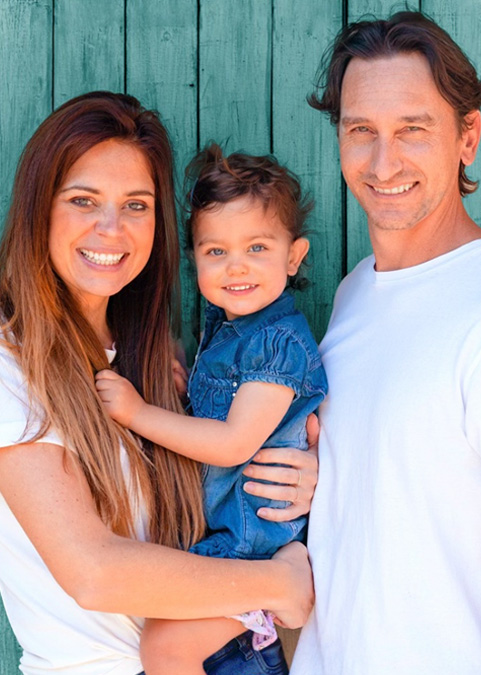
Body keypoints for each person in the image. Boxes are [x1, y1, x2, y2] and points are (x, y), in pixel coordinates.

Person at [0, 92, 317, 675]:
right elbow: (92, 571)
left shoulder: (153, 355)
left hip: (222, 652)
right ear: (40, 207)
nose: (110, 229)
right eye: (83, 200)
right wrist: (279, 581)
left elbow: (216, 479)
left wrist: (297, 473)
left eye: (136, 205)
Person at [290, 12, 481, 675]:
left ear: (468, 136)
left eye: (413, 129)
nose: (384, 162)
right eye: (361, 131)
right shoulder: (353, 298)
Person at [95, 145, 328, 675]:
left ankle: (267, 620)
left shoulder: (276, 342)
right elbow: (218, 414)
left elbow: (233, 443)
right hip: (225, 536)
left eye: (258, 248)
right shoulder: (224, 330)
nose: (235, 266)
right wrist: (186, 392)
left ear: (293, 257)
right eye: (215, 252)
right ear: (194, 257)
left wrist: (136, 413)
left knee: (166, 648)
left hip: (253, 545)